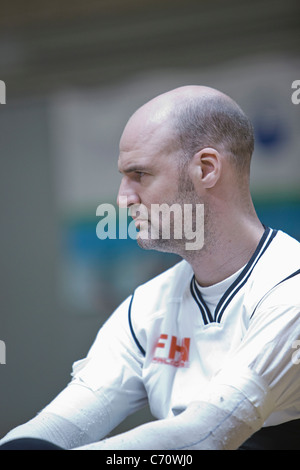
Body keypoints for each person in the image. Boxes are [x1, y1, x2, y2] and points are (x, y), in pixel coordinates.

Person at [1, 86, 300, 450]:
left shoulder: (289, 288)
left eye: (139, 174)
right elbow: (62, 426)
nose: (122, 198)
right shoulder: (147, 306)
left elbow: (204, 437)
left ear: (206, 169)